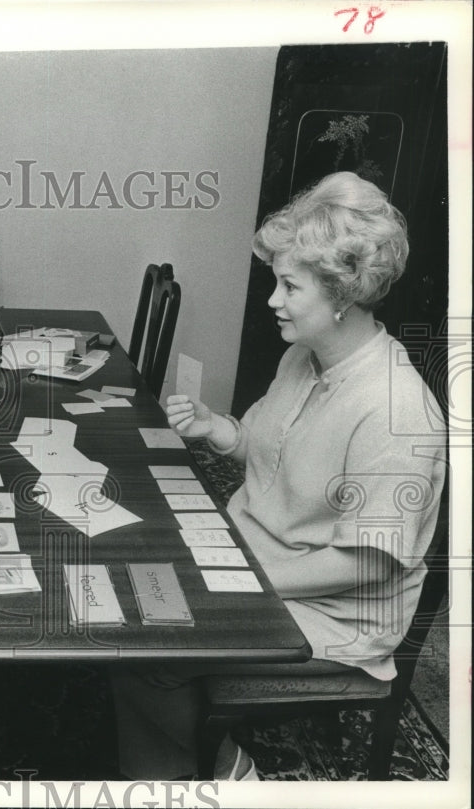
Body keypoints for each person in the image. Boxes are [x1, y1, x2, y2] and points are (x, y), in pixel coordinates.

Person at [111, 171, 446, 780]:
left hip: (337, 609)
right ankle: (204, 757)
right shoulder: (303, 356)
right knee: (130, 575)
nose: (273, 299)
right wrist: (219, 428)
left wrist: (239, 581)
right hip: (254, 556)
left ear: (342, 294)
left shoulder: (396, 409)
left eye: (289, 285)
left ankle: (215, 771)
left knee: (148, 648)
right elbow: (267, 450)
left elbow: (367, 562)